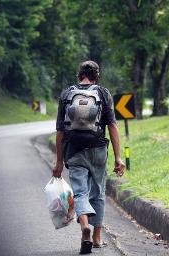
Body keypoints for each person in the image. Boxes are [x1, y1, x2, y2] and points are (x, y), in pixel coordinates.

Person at [53, 60, 125, 254]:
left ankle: (84, 225)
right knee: (98, 193)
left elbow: (60, 131)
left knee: (80, 193)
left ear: (80, 75)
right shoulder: (103, 93)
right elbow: (112, 126)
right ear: (97, 75)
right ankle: (97, 237)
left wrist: (59, 162)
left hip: (74, 150)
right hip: (98, 150)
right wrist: (118, 157)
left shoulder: (67, 94)